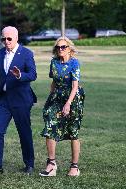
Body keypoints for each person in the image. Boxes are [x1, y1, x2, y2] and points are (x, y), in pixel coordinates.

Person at [0, 26, 37, 175]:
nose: (6, 42)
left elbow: (33, 74)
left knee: (24, 132)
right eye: (3, 39)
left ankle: (29, 164)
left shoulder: (26, 53)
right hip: (5, 100)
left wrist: (21, 76)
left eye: (9, 39)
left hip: (21, 100)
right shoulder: (0, 53)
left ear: (16, 38)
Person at [39, 36, 85, 177]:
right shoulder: (54, 62)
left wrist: (68, 104)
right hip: (56, 98)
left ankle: (74, 167)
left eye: (63, 47)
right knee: (49, 127)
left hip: (73, 99)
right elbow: (54, 82)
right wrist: (50, 98)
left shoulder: (74, 63)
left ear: (69, 49)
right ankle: (51, 165)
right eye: (58, 47)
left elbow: (75, 86)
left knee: (73, 132)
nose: (60, 49)